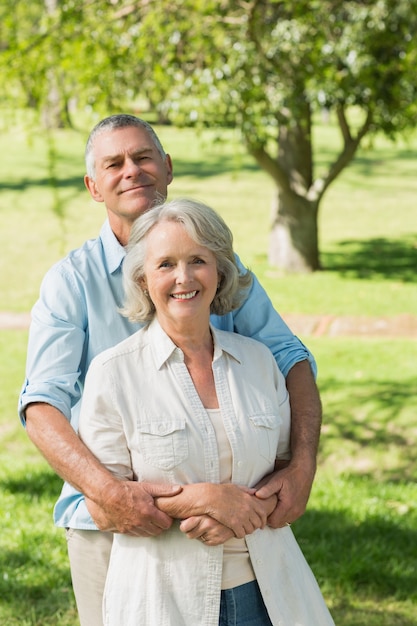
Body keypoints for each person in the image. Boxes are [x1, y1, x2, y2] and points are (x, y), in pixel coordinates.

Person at [18, 114, 322, 626]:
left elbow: (289, 359)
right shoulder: (72, 281)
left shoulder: (213, 264)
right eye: (114, 164)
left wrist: (302, 464)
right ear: (94, 186)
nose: (132, 171)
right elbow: (42, 404)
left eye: (143, 157)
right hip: (113, 521)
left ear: (167, 167)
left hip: (233, 524)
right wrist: (112, 495)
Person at [78, 197, 334, 626]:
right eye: (165, 264)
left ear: (219, 271)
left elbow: (287, 475)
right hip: (163, 603)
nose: (183, 277)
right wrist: (204, 500)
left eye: (198, 260)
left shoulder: (258, 363)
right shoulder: (113, 373)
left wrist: (237, 517)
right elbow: (104, 508)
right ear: (143, 279)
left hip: (269, 595)